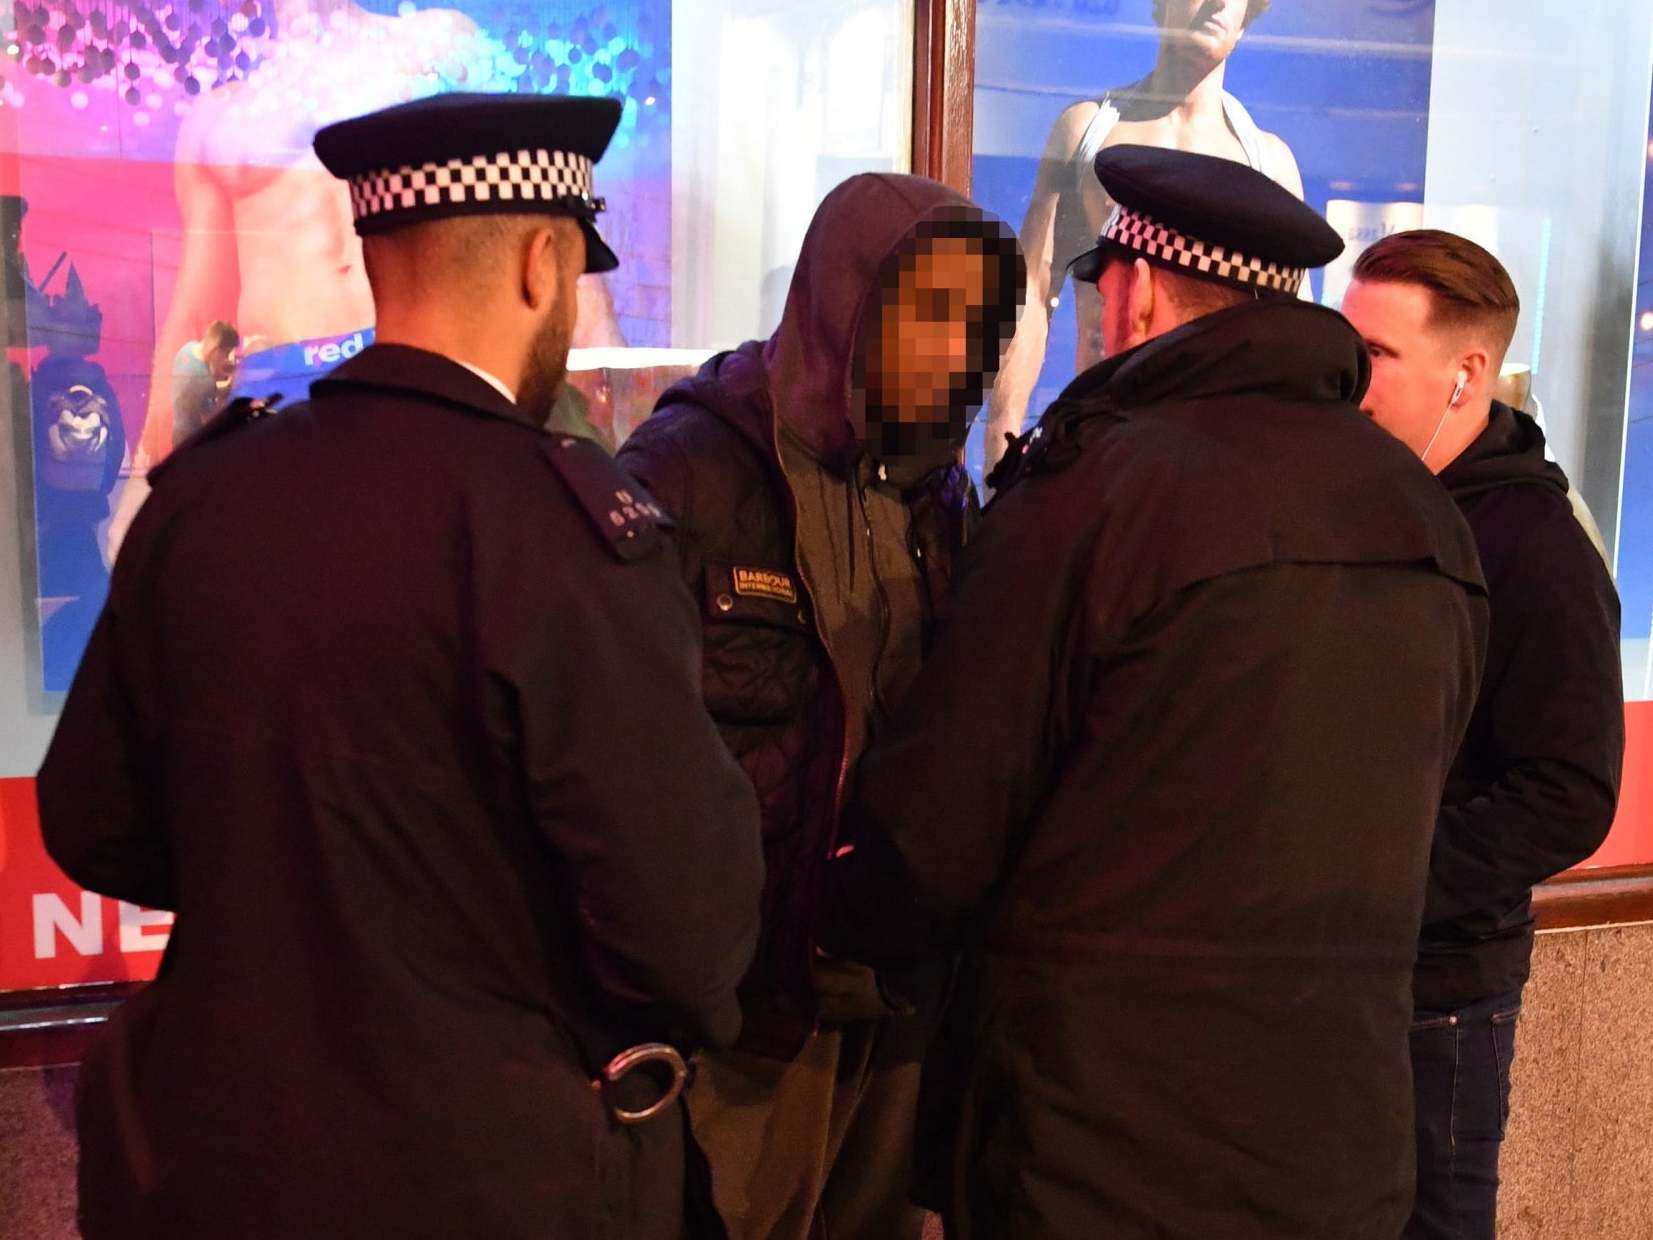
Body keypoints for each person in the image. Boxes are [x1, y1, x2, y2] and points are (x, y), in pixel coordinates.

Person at [37, 92, 763, 1240]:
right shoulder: (573, 535)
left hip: (216, 1161)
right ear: (540, 263)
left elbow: (88, 820)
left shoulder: (206, 499)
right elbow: (686, 938)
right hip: (487, 1178)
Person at [820, 145, 1489, 1239]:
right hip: (1341, 1148)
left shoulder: (1098, 494)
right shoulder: (1426, 521)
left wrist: (826, 921)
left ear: (1133, 292)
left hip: (1105, 1151)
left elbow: (941, 824)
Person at [616, 178, 1024, 1240]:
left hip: (894, 1000)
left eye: (972, 324)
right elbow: (619, 757)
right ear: (849, 300)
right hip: (747, 1017)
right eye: (929, 313)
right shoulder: (687, 472)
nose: (952, 350)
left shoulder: (938, 495)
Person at [1340, 230, 1624, 1240]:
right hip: (1329, 971)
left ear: (1466, 374)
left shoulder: (1538, 549)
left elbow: (1569, 790)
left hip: (1437, 998)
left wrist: (1387, 881)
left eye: (1373, 353)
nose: (1343, 374)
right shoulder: (1363, 504)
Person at [134, 0, 626, 469]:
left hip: (420, 366)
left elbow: (542, 207)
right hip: (283, 377)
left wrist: (609, 377)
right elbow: (198, 307)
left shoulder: (435, 45)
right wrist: (150, 468)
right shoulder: (218, 118)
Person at [985, 0, 1304, 476]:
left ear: (1246, 21)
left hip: (1217, 454)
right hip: (1098, 436)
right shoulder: (1087, 133)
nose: (1218, 1)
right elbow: (1032, 295)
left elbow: (1296, 342)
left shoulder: (1267, 166)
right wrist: (1001, 440)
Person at [169, 320, 240, 443]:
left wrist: (225, 387)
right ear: (216, 349)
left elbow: (196, 395)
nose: (227, 359)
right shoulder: (204, 380)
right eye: (226, 353)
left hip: (178, 431)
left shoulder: (187, 349)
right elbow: (210, 421)